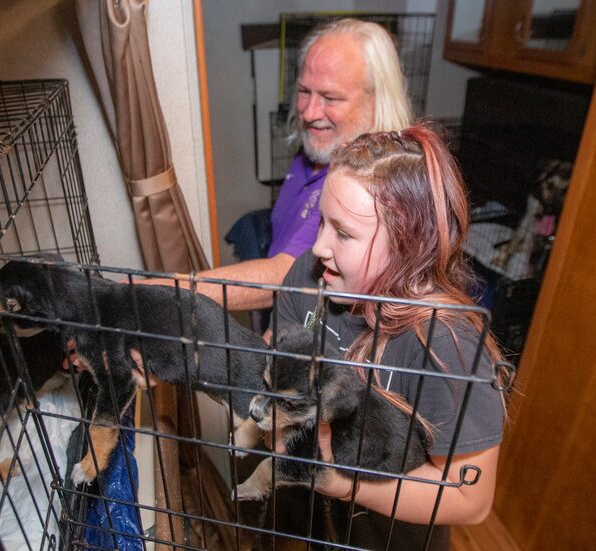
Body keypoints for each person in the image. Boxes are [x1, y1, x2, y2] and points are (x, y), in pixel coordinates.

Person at [271, 124, 505, 549]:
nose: (319, 247)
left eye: (343, 233)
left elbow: (471, 499)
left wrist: (345, 485)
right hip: (308, 527)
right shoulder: (308, 277)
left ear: (408, 243)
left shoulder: (447, 348)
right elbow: (274, 359)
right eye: (323, 221)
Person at [141, 18, 413, 310]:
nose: (309, 113)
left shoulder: (368, 186)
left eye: (330, 97)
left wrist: (156, 295)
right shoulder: (319, 148)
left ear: (376, 100)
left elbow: (286, 275)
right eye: (304, 91)